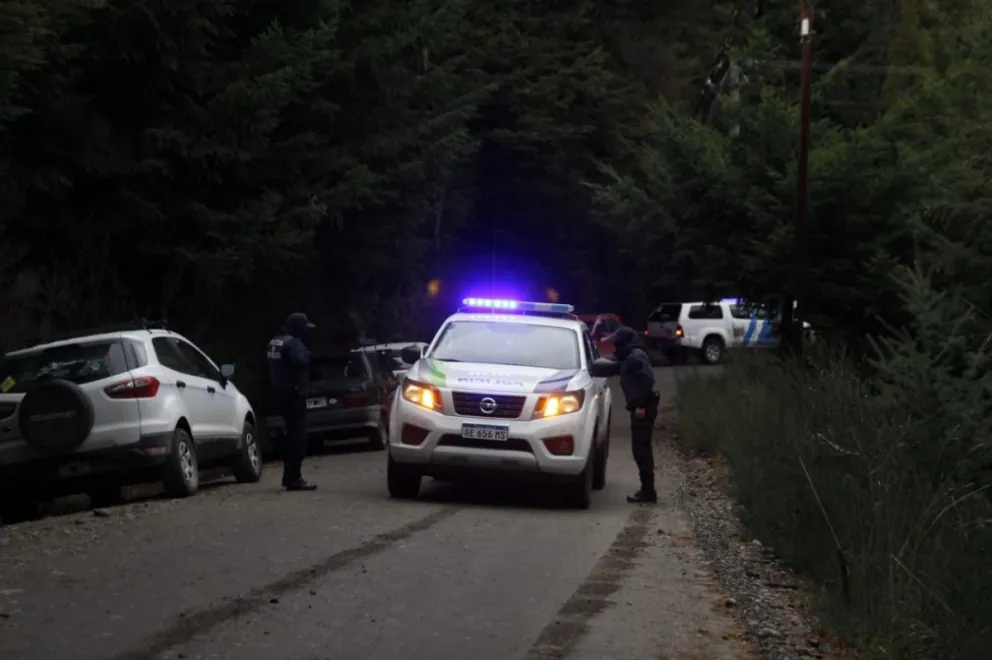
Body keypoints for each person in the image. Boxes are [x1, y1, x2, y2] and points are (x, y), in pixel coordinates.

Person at [266, 312, 318, 491]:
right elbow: (300, 361)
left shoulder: (275, 341)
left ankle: (290, 475)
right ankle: (293, 477)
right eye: (304, 328)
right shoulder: (293, 344)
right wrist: (308, 353)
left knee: (290, 434)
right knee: (298, 437)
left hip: (279, 393)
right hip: (293, 394)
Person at [610, 326, 660, 503]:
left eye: (617, 345)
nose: (615, 349)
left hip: (643, 408)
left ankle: (648, 490)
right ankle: (647, 489)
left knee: (641, 449)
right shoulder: (629, 357)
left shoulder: (636, 357)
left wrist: (639, 405)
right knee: (640, 448)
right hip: (641, 407)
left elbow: (647, 380)